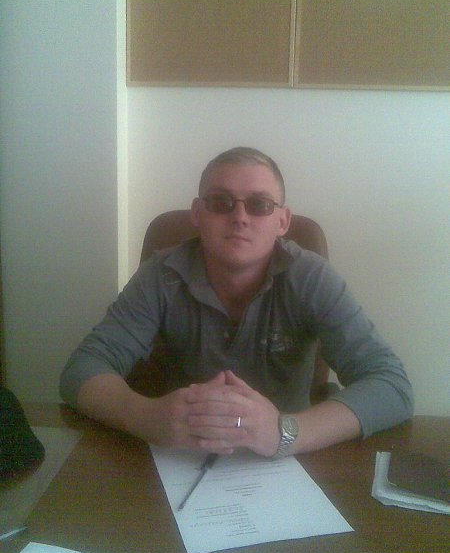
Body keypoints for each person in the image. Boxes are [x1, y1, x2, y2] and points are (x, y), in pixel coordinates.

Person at [60, 147, 413, 458]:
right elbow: (83, 368)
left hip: (287, 460)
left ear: (282, 221)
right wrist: (146, 417)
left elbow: (391, 384)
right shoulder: (161, 275)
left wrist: (284, 432)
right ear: (197, 214)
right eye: (221, 202)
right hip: (181, 456)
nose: (240, 217)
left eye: (260, 205)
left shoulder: (311, 277)